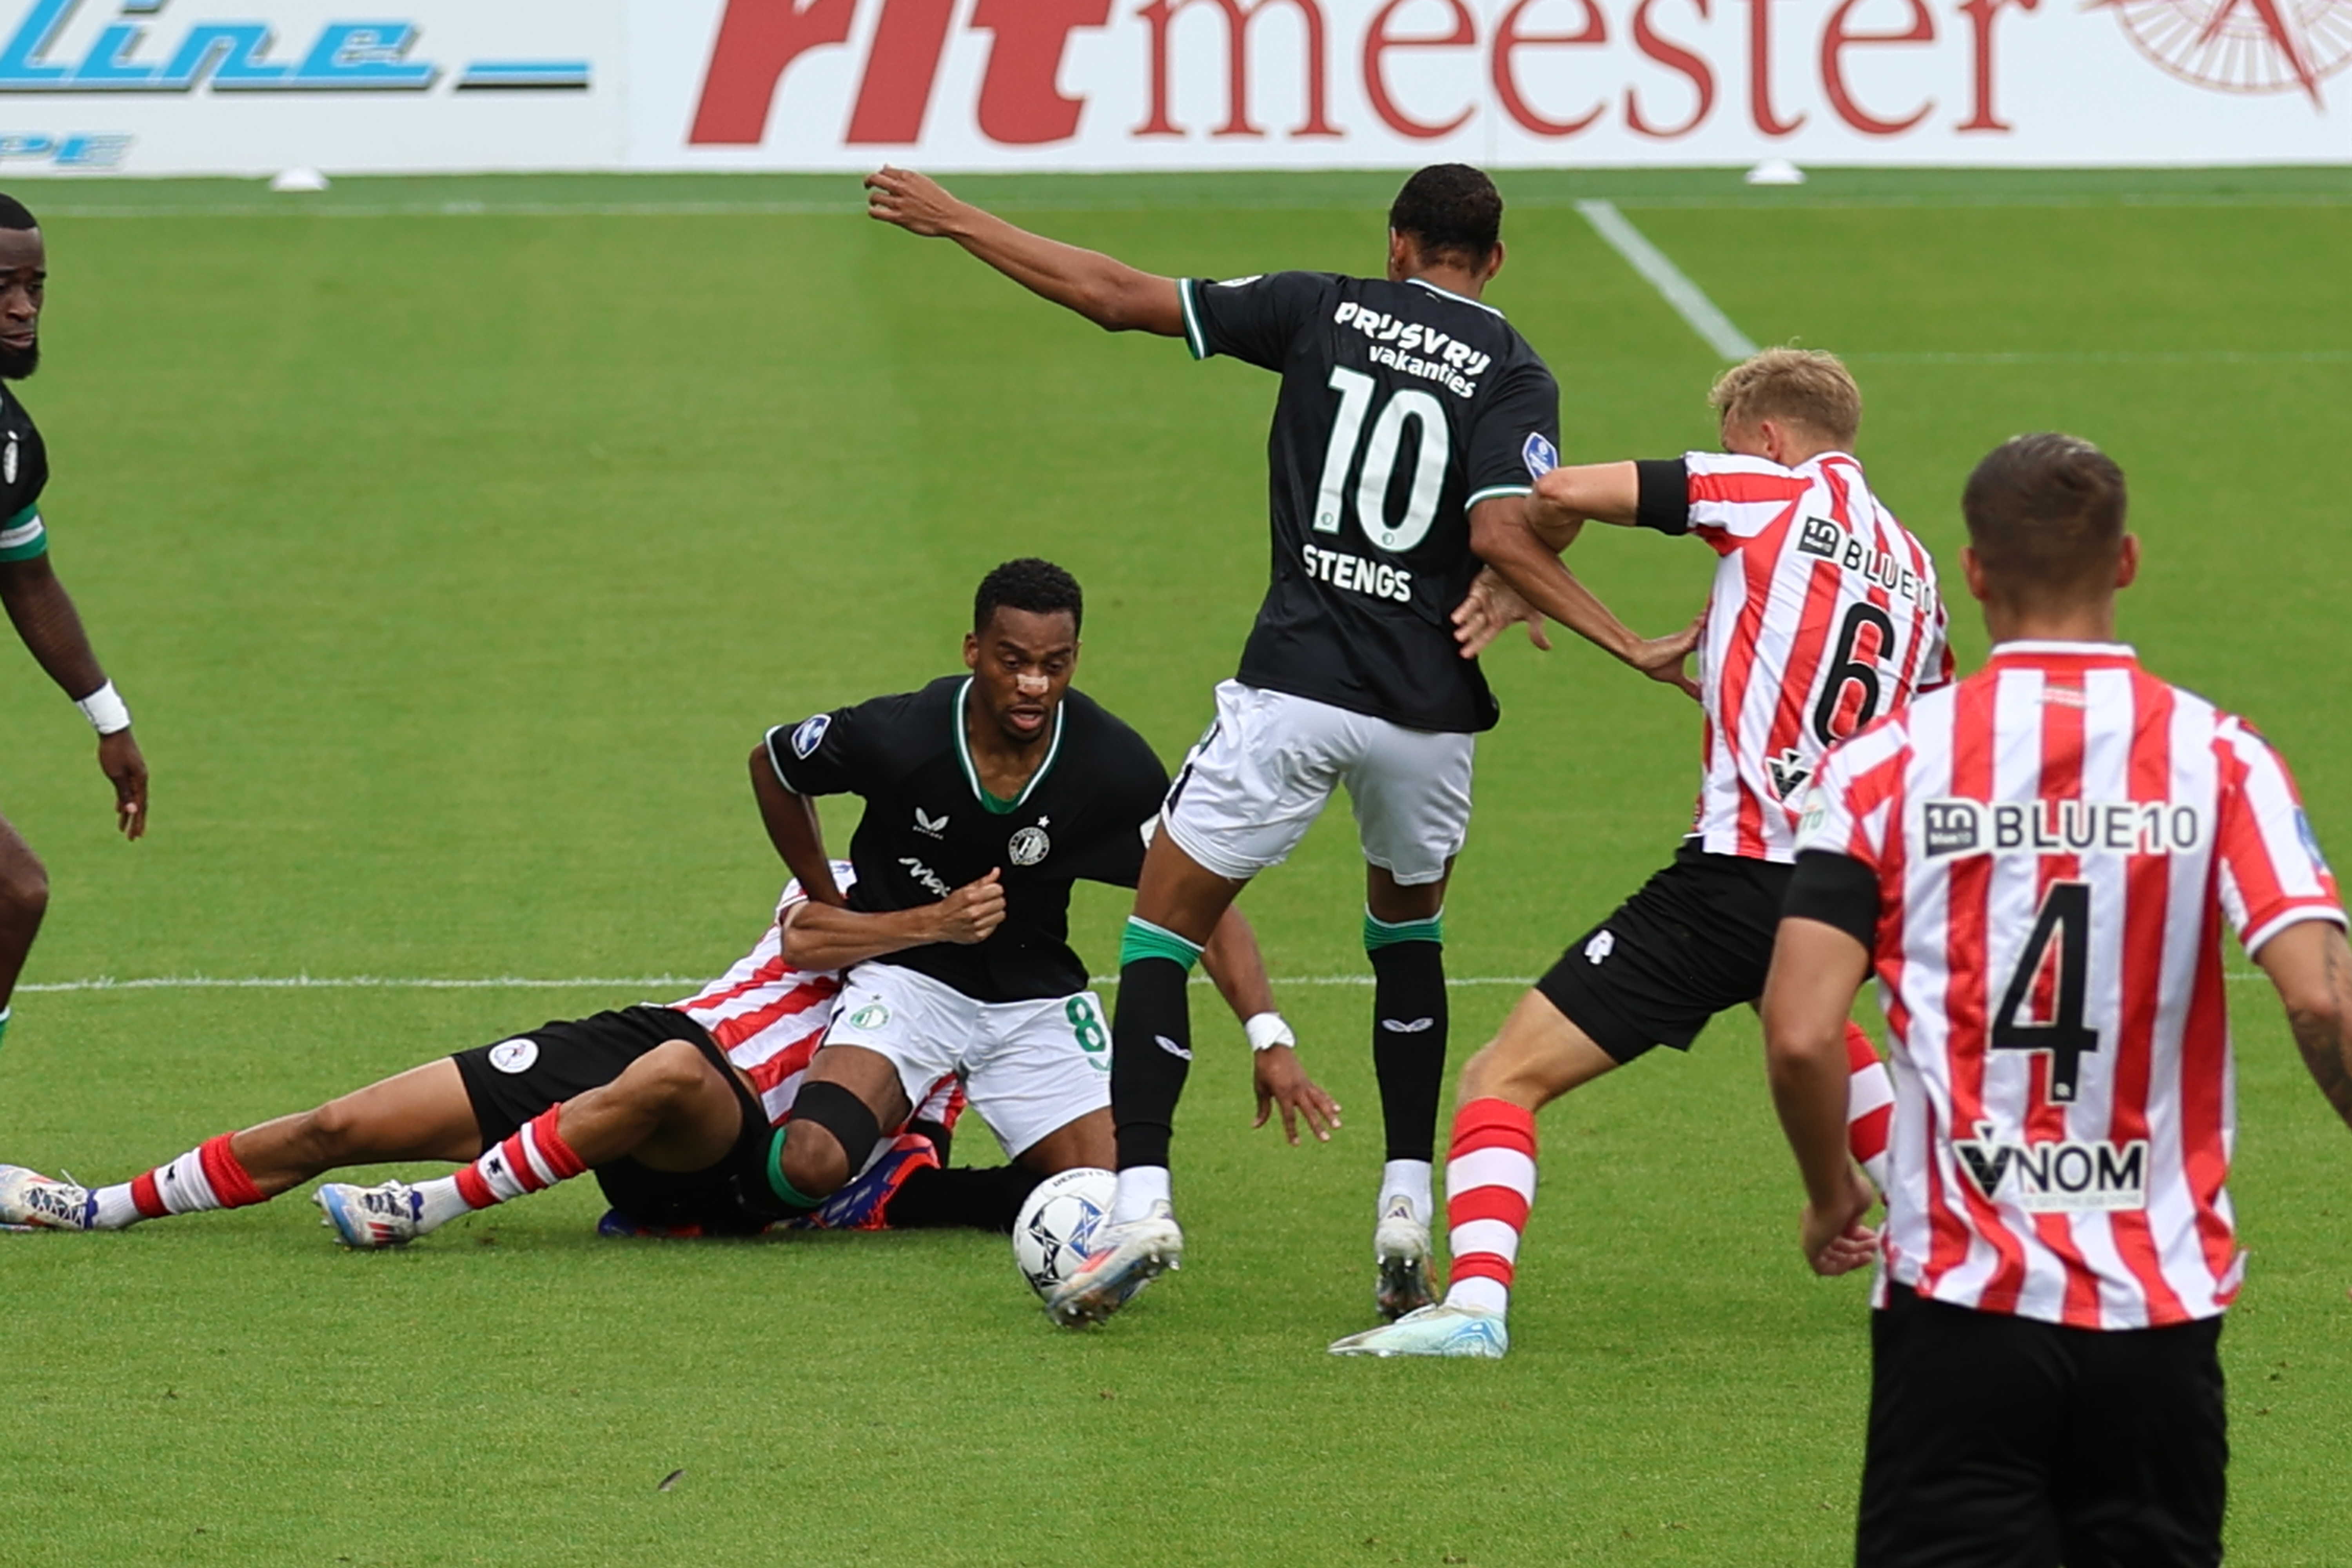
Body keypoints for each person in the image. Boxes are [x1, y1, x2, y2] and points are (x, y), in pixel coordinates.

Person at [868, 163, 1697, 1327]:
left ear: (1397, 242)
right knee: (1407, 940)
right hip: (1428, 720)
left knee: (1162, 932)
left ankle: (1142, 1203)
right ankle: (1405, 1208)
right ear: (1495, 261)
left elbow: (1113, 296)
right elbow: (1518, 526)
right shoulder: (1517, 370)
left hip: (1296, 690)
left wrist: (957, 218)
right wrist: (1624, 639)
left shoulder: (1323, 306)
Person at [1759, 433, 2351, 1566]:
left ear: (1974, 572)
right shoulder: (2222, 759)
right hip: (2157, 1313)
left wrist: (1832, 1191)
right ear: (2125, 562)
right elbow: (2323, 1002)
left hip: (1959, 1307)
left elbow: (1798, 1032)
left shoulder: (1883, 765)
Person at [1332, 348, 1946, 1359]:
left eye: (1729, 439)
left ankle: (1475, 1306)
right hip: (1860, 882)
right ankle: (1949, 1248)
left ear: (1767, 437)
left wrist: (1520, 572)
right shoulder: (1919, 571)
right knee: (1811, 1018)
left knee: (1502, 1074)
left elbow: (1560, 490)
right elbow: (1936, 729)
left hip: (1739, 872)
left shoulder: (1767, 489)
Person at [0, 864, 1040, 1244]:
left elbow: (918, 1137)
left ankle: (431, 1207)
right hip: (652, 1034)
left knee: (676, 1079)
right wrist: (935, 921)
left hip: (727, 1139)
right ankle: (98, 1206)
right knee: (343, 1123)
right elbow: (807, 937)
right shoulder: (846, 876)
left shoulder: (978, 992)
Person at [753, 558, 1292, 1252]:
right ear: (973, 651)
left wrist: (1267, 1034)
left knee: (1116, 1195)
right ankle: (736, 1193)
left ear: (1076, 659)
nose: (1034, 684)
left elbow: (1202, 901)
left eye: (1054, 665)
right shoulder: (903, 734)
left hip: (1032, 997)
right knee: (811, 1160)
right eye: (1013, 663)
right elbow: (774, 765)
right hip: (911, 978)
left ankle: (906, 1182)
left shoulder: (1110, 767)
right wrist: (835, 905)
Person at [0, 193, 149, 1051]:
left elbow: (29, 581)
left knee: (13, 894)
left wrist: (109, 718)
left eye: (35, 286)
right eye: (1, 287)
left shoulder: (9, 442)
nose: (23, 308)